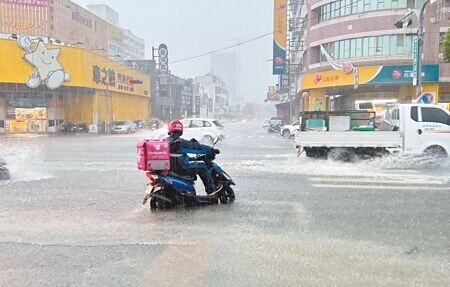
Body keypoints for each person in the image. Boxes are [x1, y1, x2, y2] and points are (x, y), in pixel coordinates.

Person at [166, 120, 222, 195]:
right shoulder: (180, 142)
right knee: (202, 167)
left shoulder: (166, 141)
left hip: (171, 168)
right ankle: (211, 189)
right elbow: (197, 148)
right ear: (181, 130)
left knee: (196, 164)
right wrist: (211, 150)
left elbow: (177, 155)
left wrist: (190, 159)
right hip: (180, 169)